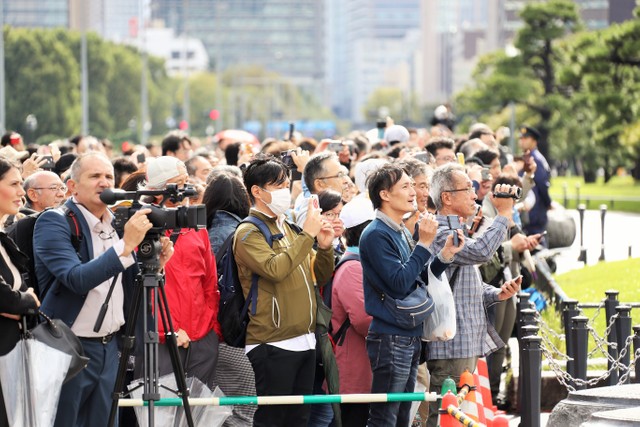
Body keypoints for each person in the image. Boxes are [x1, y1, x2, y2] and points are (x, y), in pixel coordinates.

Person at [33, 152, 173, 427]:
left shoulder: (120, 222)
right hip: (68, 348)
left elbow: (131, 283)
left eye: (108, 176)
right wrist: (126, 246)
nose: (103, 182)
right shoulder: (55, 221)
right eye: (94, 176)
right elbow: (76, 278)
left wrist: (157, 267)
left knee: (106, 422)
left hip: (111, 347)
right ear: (72, 186)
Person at [233, 154, 335, 427]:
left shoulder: (288, 226)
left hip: (305, 339)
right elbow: (275, 269)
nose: (284, 191)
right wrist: (307, 235)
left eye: (286, 184)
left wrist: (324, 248)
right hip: (272, 341)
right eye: (277, 185)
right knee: (272, 420)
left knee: (298, 419)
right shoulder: (248, 232)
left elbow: (320, 276)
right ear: (257, 191)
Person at [360, 163, 463, 427]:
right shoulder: (375, 234)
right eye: (405, 186)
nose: (413, 192)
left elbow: (417, 275)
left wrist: (444, 256)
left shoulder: (400, 229)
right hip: (390, 335)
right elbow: (399, 283)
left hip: (408, 333)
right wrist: (425, 243)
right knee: (386, 415)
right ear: (384, 195)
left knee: (403, 413)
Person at [426, 163, 522, 427]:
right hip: (450, 345)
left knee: (462, 415)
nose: (474, 195)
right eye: (468, 188)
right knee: (446, 414)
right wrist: (503, 213)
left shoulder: (456, 228)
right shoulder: (439, 232)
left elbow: (467, 286)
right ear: (447, 197)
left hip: (463, 341)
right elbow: (481, 251)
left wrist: (497, 293)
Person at [142, 156, 221, 390]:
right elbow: (143, 288)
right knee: (162, 414)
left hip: (202, 336)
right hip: (162, 338)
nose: (185, 189)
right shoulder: (142, 225)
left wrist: (211, 328)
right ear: (157, 190)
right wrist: (168, 329)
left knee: (197, 414)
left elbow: (210, 282)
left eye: (186, 181)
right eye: (178, 183)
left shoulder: (195, 224)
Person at [204, 171, 257, 426]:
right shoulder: (241, 232)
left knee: (218, 412)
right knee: (242, 414)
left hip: (212, 333)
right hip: (234, 335)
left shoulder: (206, 231)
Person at [0, 158, 41, 427]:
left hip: (13, 352)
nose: (21, 192)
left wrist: (22, 301)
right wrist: (25, 301)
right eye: (14, 183)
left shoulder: (4, 237)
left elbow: (19, 290)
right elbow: (8, 297)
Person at [331, 196, 375, 427]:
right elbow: (364, 319)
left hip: (362, 364)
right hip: (355, 367)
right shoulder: (352, 267)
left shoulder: (359, 262)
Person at [294, 151, 349, 227]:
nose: (346, 181)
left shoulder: (336, 206)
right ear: (320, 184)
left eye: (344, 174)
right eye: (339, 175)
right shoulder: (311, 217)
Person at [518, 125, 551, 238]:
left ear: (533, 141)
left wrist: (548, 203)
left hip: (536, 210)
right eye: (520, 139)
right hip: (528, 210)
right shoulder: (527, 157)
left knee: (537, 242)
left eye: (525, 139)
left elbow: (543, 185)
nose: (521, 141)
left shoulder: (535, 159)